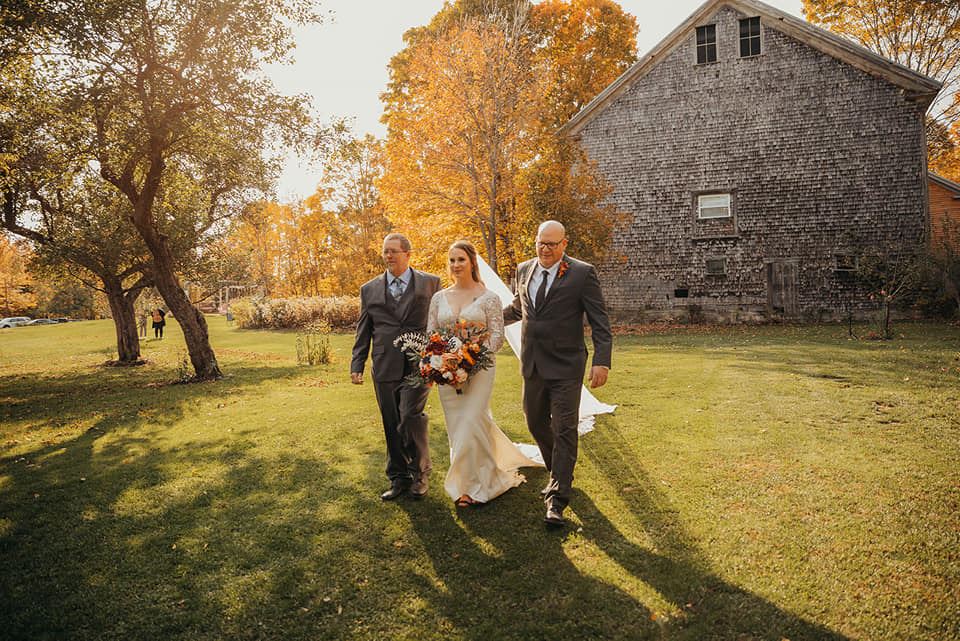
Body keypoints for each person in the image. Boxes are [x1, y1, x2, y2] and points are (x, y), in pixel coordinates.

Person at [503, 220, 613, 527]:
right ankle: (559, 472)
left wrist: (602, 361)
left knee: (564, 428)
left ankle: (557, 497)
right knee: (535, 421)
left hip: (566, 365)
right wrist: (486, 319)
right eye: (541, 243)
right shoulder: (524, 270)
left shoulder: (582, 274)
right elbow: (518, 309)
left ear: (564, 244)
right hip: (533, 364)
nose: (545, 249)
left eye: (552, 244)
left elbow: (600, 321)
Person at [428, 240, 540, 508]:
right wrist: (442, 362)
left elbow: (497, 337)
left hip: (480, 371)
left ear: (472, 262)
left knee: (471, 421)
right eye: (452, 260)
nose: (456, 265)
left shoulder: (489, 298)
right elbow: (431, 333)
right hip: (446, 372)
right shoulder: (438, 298)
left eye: (461, 259)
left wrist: (468, 359)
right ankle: (473, 481)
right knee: (460, 427)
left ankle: (469, 488)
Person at [351, 233, 441, 501]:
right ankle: (398, 478)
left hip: (419, 364)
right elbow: (364, 328)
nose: (388, 256)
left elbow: (439, 322)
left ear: (408, 254)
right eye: (385, 251)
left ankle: (420, 474)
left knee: (410, 417)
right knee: (391, 422)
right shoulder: (369, 289)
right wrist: (357, 363)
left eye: (393, 251)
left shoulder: (430, 283)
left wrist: (442, 356)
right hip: (385, 363)